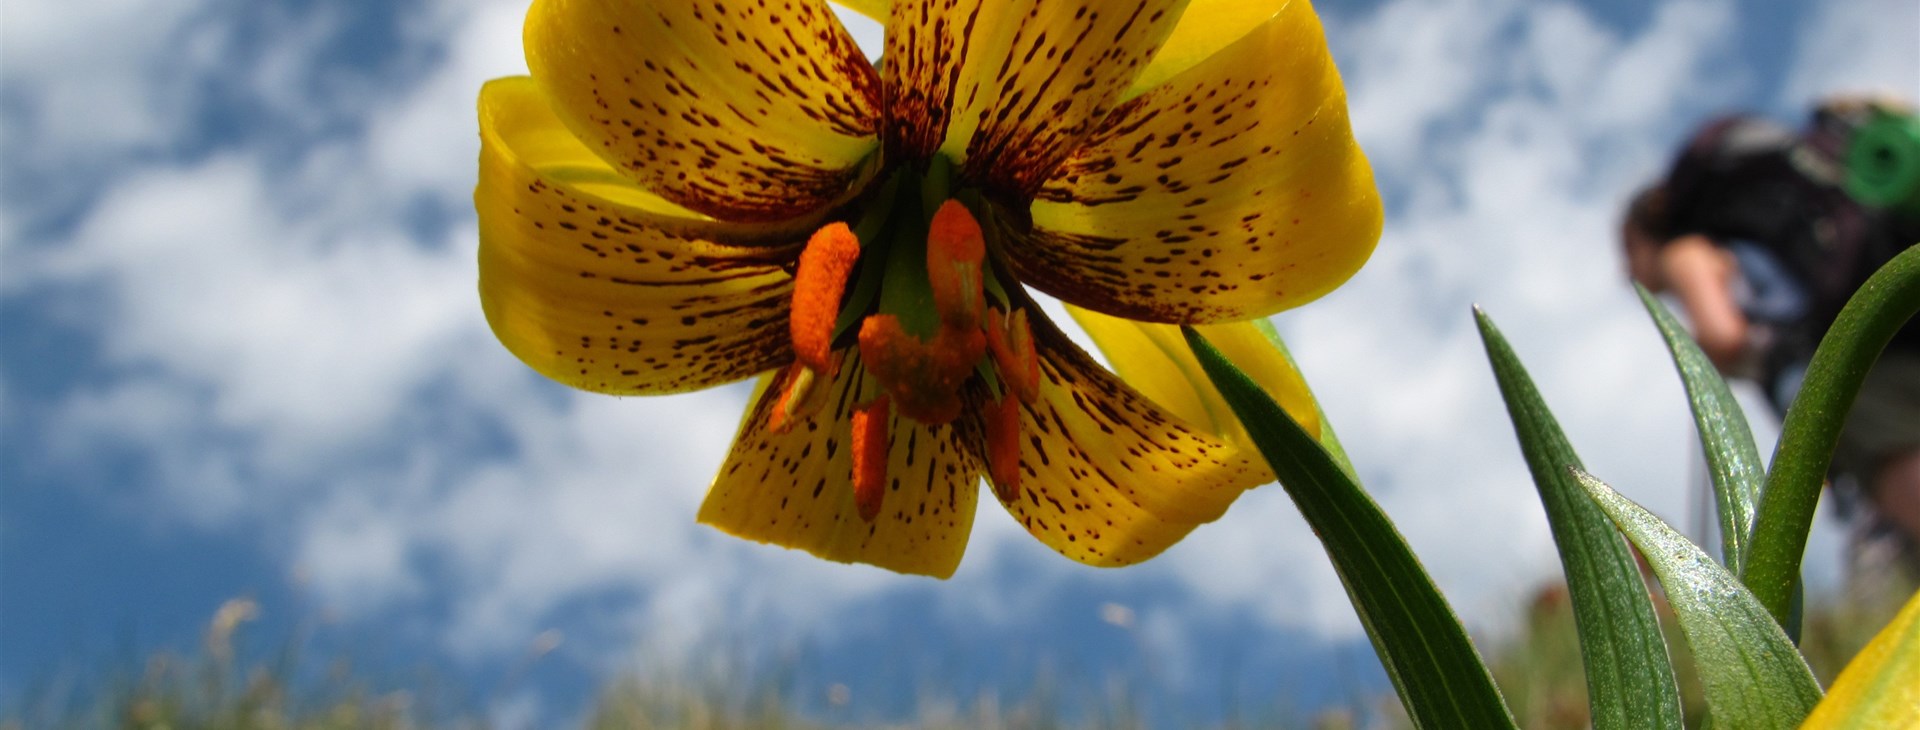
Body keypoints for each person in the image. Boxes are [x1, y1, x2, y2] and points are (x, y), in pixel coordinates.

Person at [1621, 95, 1920, 600]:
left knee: (1898, 472)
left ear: (1645, 235)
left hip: (1843, 374)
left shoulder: (1685, 251)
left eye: (1627, 255)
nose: (1629, 275)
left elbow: (1725, 334)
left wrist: (1706, 352)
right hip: (1899, 335)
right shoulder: (1757, 231)